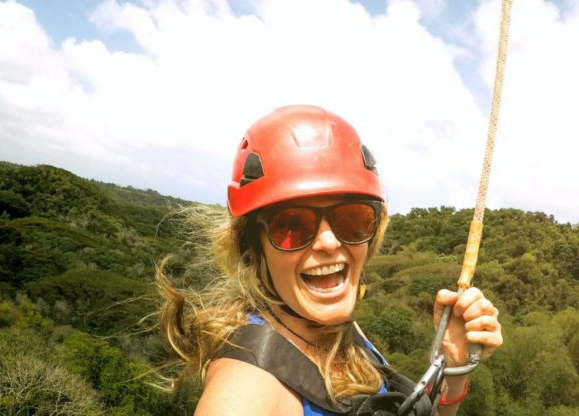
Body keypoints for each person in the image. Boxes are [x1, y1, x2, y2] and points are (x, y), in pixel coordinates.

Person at [156, 105, 503, 416]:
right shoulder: (247, 394)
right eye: (291, 225)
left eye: (352, 219)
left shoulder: (333, 330)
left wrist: (452, 368)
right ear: (253, 246)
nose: (328, 241)